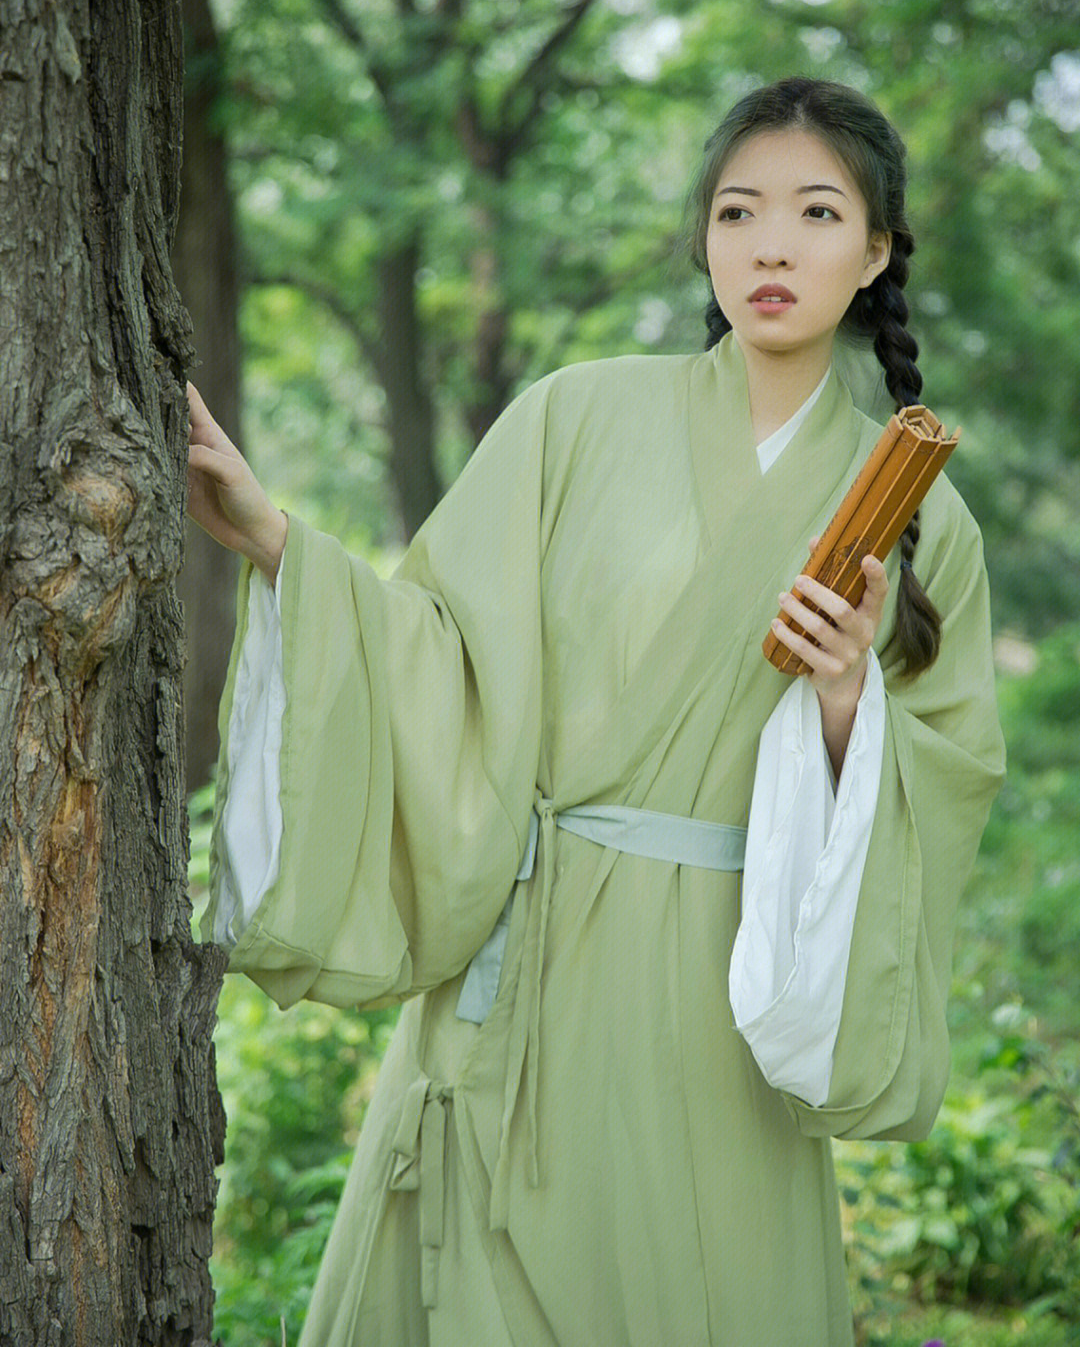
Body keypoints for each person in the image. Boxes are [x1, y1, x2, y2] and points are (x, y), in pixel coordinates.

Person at [188, 77, 1005, 1346]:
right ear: (703, 240)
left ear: (879, 249)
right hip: (525, 957)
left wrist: (848, 698)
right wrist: (277, 539)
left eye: (816, 212)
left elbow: (944, 779)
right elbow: (438, 648)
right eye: (737, 212)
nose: (772, 246)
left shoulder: (918, 510)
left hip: (719, 997)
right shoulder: (575, 416)